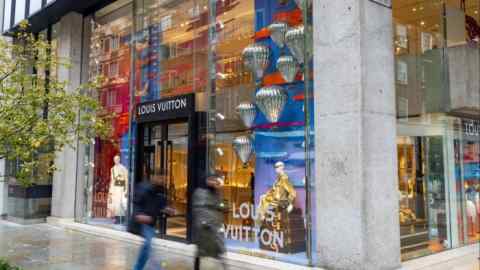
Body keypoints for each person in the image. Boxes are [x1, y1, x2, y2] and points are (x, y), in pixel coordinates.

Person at [131, 173, 169, 270]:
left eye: (164, 178)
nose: (162, 180)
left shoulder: (161, 191)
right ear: (153, 177)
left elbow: (161, 206)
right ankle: (155, 268)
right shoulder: (144, 188)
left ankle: (139, 268)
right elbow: (136, 202)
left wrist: (167, 210)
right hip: (143, 222)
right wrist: (138, 214)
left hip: (151, 223)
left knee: (147, 248)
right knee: (148, 246)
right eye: (160, 177)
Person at [192, 174, 227, 270]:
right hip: (204, 228)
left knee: (219, 250)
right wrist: (203, 221)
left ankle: (224, 267)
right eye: (211, 180)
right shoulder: (200, 193)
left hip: (214, 227)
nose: (213, 182)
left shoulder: (216, 193)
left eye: (214, 180)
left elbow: (220, 206)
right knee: (200, 251)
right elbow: (198, 209)